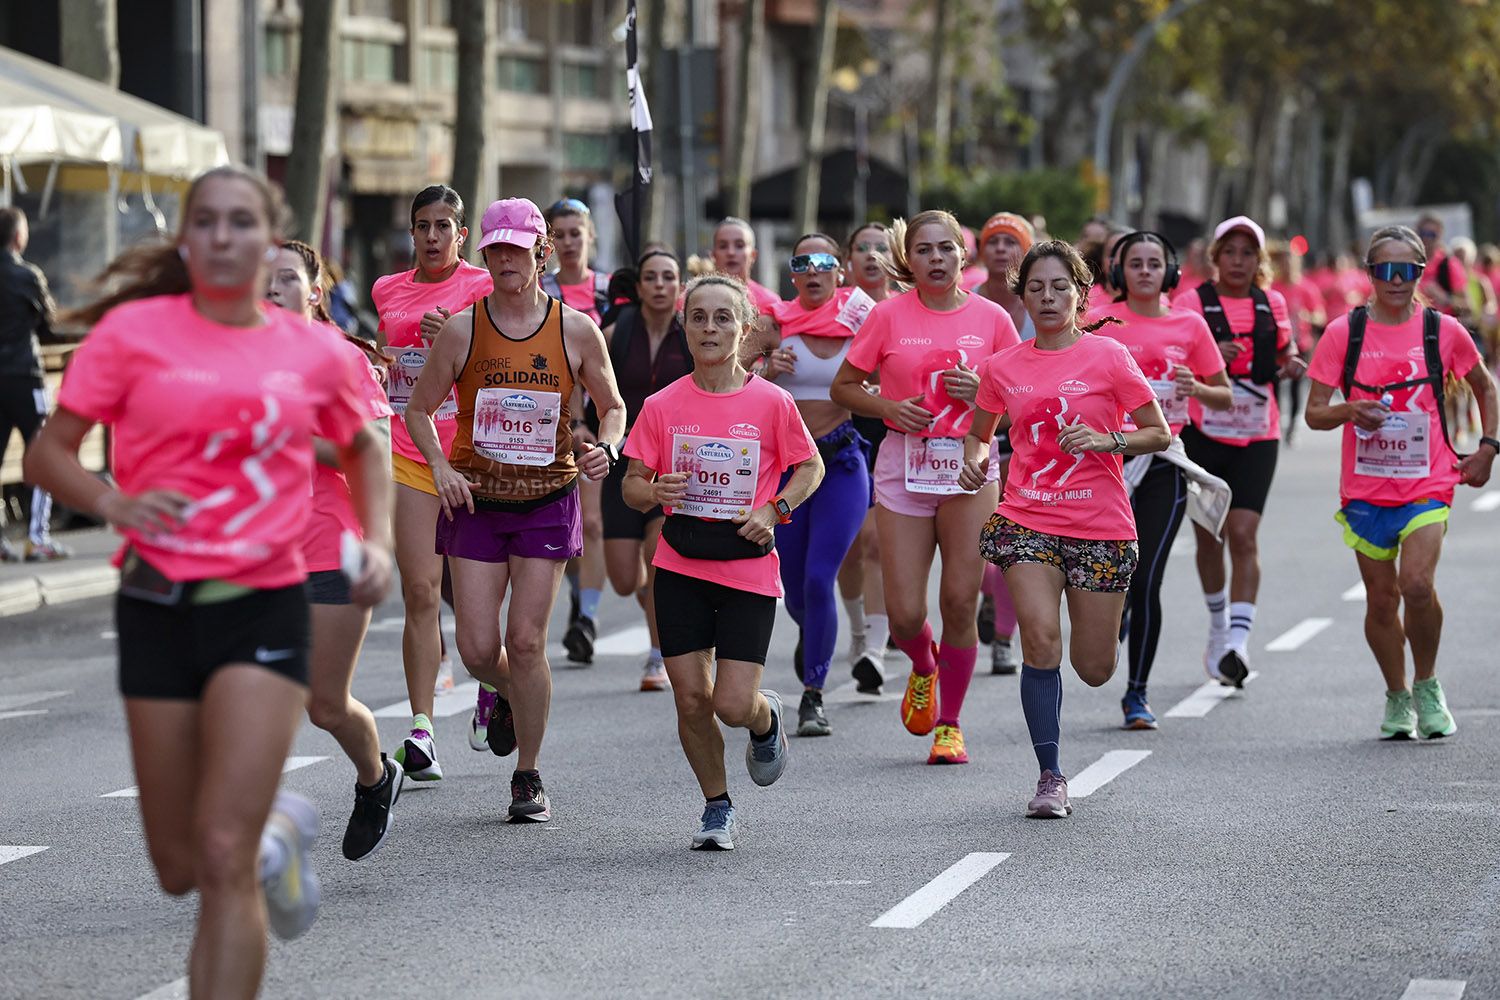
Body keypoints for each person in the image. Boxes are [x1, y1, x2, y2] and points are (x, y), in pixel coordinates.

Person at [24, 165, 394, 996]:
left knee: (222, 862)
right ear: (187, 240)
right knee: (180, 865)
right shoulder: (132, 337)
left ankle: (254, 845)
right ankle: (274, 837)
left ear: (269, 243)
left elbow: (366, 447)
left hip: (265, 599)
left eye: (243, 223)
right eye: (209, 222)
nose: (225, 237)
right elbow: (51, 454)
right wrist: (113, 502)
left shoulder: (312, 349)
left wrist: (372, 543)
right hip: (158, 600)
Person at [406, 197, 626, 824]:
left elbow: (613, 404)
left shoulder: (575, 328)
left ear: (541, 252)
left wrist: (607, 445)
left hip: (547, 499)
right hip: (476, 499)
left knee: (525, 642)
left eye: (515, 247)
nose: (504, 258)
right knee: (479, 649)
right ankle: (505, 694)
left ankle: (527, 774)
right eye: (494, 249)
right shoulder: (463, 329)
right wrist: (441, 467)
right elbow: (418, 408)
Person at [961, 239, 1170, 817]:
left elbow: (1160, 433)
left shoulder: (1109, 357)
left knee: (1095, 667)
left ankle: (1105, 624)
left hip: (1100, 524)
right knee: (1040, 640)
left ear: (1081, 294)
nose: (1048, 297)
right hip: (1027, 517)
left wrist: (1111, 440)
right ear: (1021, 295)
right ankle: (1050, 774)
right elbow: (981, 431)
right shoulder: (1002, 366)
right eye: (1036, 288)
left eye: (1060, 287)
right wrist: (973, 459)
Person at [622, 273, 822, 850]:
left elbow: (810, 468)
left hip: (747, 569)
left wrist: (775, 508)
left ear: (745, 329)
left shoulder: (771, 402)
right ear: (685, 329)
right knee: (690, 698)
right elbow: (633, 485)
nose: (710, 327)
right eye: (699, 317)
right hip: (680, 565)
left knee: (731, 704)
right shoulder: (662, 406)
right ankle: (716, 806)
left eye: (723, 318)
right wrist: (655, 493)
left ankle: (766, 720)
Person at [830, 210, 1020, 766]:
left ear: (965, 257)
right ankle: (923, 664)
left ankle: (950, 724)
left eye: (946, 249)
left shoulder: (991, 320)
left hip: (968, 470)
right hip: (904, 468)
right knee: (906, 613)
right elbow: (845, 387)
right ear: (907, 260)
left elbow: (1018, 405)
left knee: (960, 600)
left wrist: (983, 391)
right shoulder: (888, 316)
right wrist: (889, 407)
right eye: (924, 250)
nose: (936, 259)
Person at [1305, 225, 1499, 740]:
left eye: (1407, 270)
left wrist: (1488, 448)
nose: (1396, 280)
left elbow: (1485, 386)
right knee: (1381, 600)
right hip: (1366, 489)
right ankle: (1397, 695)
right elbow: (1314, 414)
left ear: (1420, 271)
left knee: (1416, 584)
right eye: (1385, 270)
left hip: (1428, 481)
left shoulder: (1443, 331)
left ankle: (1428, 683)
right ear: (1370, 274)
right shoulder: (1345, 333)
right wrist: (1350, 408)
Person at [265, 240, 404, 858]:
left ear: (315, 293)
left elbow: (373, 450)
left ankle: (376, 777)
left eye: (287, 279)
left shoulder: (342, 361)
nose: (271, 289)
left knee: (324, 705)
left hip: (329, 548)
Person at [371, 185, 493, 781]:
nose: (433, 236)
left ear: (461, 234)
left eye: (445, 225)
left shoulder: (482, 288)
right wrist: (380, 364)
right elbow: (388, 362)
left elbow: (499, 361)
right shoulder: (387, 290)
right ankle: (422, 728)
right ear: (411, 231)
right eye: (423, 225)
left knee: (478, 607)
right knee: (420, 590)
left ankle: (492, 686)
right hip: (409, 449)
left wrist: (458, 341)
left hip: (473, 455)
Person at [1088, 232, 1232, 728]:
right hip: (1105, 462)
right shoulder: (1098, 321)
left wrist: (1200, 388)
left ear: (1169, 271)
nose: (1145, 271)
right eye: (1135, 263)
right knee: (1115, 578)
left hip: (1165, 460)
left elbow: (1225, 396)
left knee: (1147, 577)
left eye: (1155, 263)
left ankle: (1137, 693)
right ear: (1119, 271)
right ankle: (1112, 621)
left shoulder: (1189, 325)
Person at [754, 233, 876, 735]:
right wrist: (765, 368)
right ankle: (815, 632)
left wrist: (875, 390)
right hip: (789, 469)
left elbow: (890, 376)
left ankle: (813, 693)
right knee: (797, 590)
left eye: (824, 261)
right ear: (793, 274)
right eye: (802, 261)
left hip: (842, 461)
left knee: (820, 576)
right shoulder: (774, 323)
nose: (814, 269)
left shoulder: (862, 320)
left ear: (839, 270)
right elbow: (732, 379)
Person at [1177, 216, 1304, 686]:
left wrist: (1290, 366)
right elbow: (1174, 358)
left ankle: (1237, 642)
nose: (1237, 261)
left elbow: (1283, 354)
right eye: (1229, 252)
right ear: (1215, 258)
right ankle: (1216, 625)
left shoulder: (1273, 303)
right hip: (1204, 431)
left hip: (1258, 431)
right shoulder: (1192, 303)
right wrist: (1210, 358)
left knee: (1245, 533)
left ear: (1259, 261)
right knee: (1210, 536)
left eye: (1247, 253)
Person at [598, 246, 694, 691]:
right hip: (624, 460)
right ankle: (658, 602)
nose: (660, 285)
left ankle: (657, 657)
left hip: (672, 466)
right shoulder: (617, 333)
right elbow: (593, 389)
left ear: (680, 287)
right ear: (637, 288)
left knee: (657, 556)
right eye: (651, 277)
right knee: (623, 578)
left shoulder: (691, 334)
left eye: (668, 277)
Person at [542, 198, 611, 666]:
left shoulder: (609, 290)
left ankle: (586, 618)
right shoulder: (538, 288)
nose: (569, 242)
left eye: (576, 233)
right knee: (554, 526)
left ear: (591, 236)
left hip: (596, 422)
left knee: (591, 522)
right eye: (559, 234)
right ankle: (573, 590)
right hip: (546, 423)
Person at [972, 211, 1038, 674]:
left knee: (1011, 545)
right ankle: (991, 597)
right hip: (973, 442)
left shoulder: (1041, 305)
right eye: (992, 241)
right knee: (979, 549)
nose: (1000, 249)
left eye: (1010, 242)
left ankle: (1002, 639)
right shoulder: (966, 304)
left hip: (1027, 444)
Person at [837, 223, 894, 688]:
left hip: (895, 432)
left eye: (881, 248)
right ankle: (858, 629)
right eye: (863, 249)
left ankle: (875, 647)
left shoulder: (909, 308)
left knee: (875, 542)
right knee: (850, 549)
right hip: (845, 430)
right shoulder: (837, 311)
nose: (873, 256)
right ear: (848, 261)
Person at [0, 207, 69, 562]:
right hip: (25, 376)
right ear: (19, 237)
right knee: (43, 453)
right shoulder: (28, 276)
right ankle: (36, 538)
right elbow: (48, 327)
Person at [1270, 241, 1326, 443]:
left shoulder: (1308, 288)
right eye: (1284, 262)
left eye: (1291, 262)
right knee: (1274, 385)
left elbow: (1321, 317)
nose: (1287, 266)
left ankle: (1292, 425)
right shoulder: (1273, 288)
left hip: (1300, 344)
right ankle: (1274, 422)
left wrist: (1307, 317)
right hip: (1276, 346)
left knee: (1295, 387)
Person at [711, 217, 781, 311]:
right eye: (723, 246)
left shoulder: (771, 303)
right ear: (713, 255)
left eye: (739, 246)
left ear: (753, 255)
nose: (731, 252)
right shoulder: (694, 299)